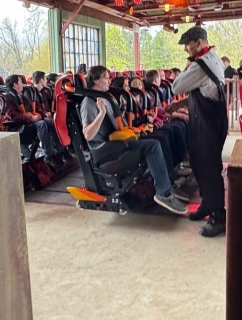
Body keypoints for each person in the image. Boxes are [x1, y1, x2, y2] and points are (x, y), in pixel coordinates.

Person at [79, 66, 186, 215]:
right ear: (96, 80)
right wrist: (101, 113)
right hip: (106, 150)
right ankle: (164, 192)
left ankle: (167, 184)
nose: (109, 81)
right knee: (153, 146)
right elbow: (88, 134)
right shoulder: (88, 102)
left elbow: (118, 125)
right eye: (105, 77)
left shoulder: (105, 98)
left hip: (117, 143)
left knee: (158, 141)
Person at [171, 27, 228, 237]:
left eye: (187, 45)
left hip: (207, 122)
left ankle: (218, 216)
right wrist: (182, 105)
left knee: (209, 167)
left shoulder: (200, 64)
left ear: (197, 42)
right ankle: (207, 205)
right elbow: (206, 90)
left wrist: (187, 68)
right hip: (207, 119)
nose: (186, 49)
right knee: (200, 164)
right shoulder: (213, 58)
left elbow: (176, 86)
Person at [2, 74, 64, 160]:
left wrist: (44, 113)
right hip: (17, 126)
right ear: (15, 84)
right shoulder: (6, 98)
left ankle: (59, 150)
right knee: (41, 124)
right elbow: (13, 116)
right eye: (20, 81)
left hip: (27, 121)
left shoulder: (20, 96)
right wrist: (30, 118)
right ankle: (49, 155)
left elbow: (33, 107)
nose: (22, 83)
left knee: (50, 121)